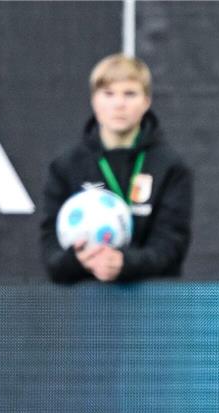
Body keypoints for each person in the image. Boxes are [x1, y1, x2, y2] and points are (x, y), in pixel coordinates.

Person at [40, 54, 192, 283]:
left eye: (130, 94)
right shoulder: (66, 166)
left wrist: (125, 263)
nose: (119, 104)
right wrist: (79, 260)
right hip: (86, 305)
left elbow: (171, 248)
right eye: (108, 94)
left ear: (147, 101)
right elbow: (51, 254)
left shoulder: (170, 166)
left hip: (152, 304)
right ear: (94, 100)